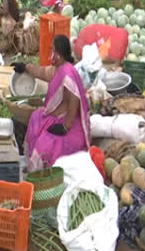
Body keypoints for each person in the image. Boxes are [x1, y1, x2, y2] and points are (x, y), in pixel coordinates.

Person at [13, 35, 91, 172]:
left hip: (70, 123)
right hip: (56, 116)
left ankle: (39, 170)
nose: (51, 55)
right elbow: (43, 72)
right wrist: (25, 67)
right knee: (35, 117)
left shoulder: (67, 72)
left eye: (53, 51)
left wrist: (65, 127)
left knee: (45, 144)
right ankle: (30, 160)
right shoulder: (59, 69)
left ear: (60, 55)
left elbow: (74, 99)